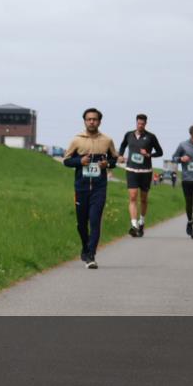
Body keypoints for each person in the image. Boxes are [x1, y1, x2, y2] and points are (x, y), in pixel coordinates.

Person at [63, 108, 119, 268]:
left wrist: (107, 164)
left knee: (95, 220)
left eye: (94, 119)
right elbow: (66, 161)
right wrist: (79, 161)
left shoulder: (107, 140)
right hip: (81, 187)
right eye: (89, 119)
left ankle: (91, 255)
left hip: (99, 188)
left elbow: (114, 160)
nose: (92, 122)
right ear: (85, 121)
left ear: (99, 121)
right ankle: (85, 246)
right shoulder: (77, 140)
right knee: (82, 223)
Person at [118, 113, 164, 237]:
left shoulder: (151, 137)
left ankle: (141, 221)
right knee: (133, 197)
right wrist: (120, 155)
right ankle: (134, 225)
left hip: (145, 172)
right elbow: (122, 145)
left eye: (142, 124)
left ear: (145, 124)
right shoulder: (129, 135)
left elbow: (160, 152)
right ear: (136, 123)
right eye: (139, 123)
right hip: (131, 170)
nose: (140, 125)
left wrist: (149, 154)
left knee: (143, 199)